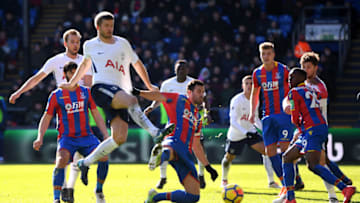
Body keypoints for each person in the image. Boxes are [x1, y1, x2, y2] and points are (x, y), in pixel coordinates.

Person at [59, 11, 174, 185]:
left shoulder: (123, 43)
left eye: (112, 25)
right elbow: (84, 65)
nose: (110, 29)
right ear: (98, 27)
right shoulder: (90, 45)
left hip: (119, 91)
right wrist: (72, 84)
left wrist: (149, 85)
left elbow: (137, 63)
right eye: (106, 26)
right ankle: (155, 133)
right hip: (101, 88)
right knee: (132, 100)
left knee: (119, 138)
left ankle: (84, 163)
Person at [9, 28, 92, 202]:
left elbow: (90, 85)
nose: (76, 45)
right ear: (65, 43)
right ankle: (63, 191)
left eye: (78, 42)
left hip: (81, 108)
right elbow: (37, 78)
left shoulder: (86, 61)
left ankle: (68, 187)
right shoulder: (56, 61)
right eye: (72, 42)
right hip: (64, 109)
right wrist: (19, 92)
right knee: (64, 157)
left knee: (78, 154)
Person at [274, 68, 356, 203]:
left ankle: (344, 188)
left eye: (291, 78)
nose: (289, 80)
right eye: (288, 78)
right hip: (317, 128)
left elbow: (294, 118)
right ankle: (290, 198)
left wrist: (299, 128)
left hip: (311, 130)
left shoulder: (293, 92)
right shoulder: (313, 91)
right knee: (287, 157)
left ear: (300, 79)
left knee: (313, 164)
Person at [32, 62, 110, 203]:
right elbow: (46, 117)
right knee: (61, 161)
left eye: (77, 72)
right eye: (72, 72)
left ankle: (98, 189)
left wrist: (105, 134)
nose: (75, 75)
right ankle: (56, 199)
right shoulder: (57, 95)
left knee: (104, 156)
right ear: (65, 74)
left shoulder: (86, 92)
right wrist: (39, 137)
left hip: (87, 136)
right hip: (67, 138)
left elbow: (96, 114)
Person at [135, 80, 218, 203]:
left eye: (203, 92)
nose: (202, 95)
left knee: (193, 196)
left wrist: (208, 167)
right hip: (172, 140)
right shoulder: (179, 99)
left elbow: (196, 145)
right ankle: (161, 155)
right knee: (172, 149)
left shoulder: (198, 117)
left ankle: (155, 197)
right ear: (189, 92)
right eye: (199, 91)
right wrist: (139, 92)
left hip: (186, 154)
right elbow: (159, 96)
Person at [300, 52, 352, 203]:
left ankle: (334, 195)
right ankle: (288, 194)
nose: (305, 70)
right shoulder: (302, 83)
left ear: (315, 68)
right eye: (303, 67)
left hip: (316, 130)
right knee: (290, 159)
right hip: (304, 130)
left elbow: (322, 113)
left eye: (308, 67)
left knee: (319, 164)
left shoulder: (319, 87)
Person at [249, 42, 295, 199]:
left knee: (285, 150)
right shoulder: (257, 73)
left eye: (268, 54)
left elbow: (292, 91)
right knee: (269, 152)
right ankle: (285, 184)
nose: (265, 57)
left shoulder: (283, 70)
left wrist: (292, 106)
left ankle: (289, 187)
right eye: (263, 54)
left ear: (273, 54)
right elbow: (255, 95)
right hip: (267, 116)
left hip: (283, 115)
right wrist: (252, 112)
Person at [144, 59, 198, 189]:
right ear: (175, 70)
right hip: (171, 122)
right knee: (165, 146)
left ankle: (200, 175)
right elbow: (160, 97)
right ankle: (163, 178)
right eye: (179, 69)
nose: (181, 71)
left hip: (189, 122)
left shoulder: (193, 84)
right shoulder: (167, 84)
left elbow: (200, 99)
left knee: (196, 146)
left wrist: (204, 113)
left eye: (183, 69)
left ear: (188, 70)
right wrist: (152, 107)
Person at [221, 75, 280, 189]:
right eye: (246, 83)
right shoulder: (236, 100)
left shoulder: (255, 99)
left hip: (251, 132)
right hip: (236, 134)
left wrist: (265, 130)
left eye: (251, 84)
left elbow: (255, 118)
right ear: (242, 86)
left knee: (267, 152)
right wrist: (245, 132)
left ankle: (271, 182)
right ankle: (224, 180)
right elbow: (233, 121)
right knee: (228, 158)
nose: (249, 86)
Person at [0, 95, 7, 163]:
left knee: (0, 141)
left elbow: (4, 111)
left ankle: (1, 157)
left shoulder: (0, 99)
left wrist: (3, 123)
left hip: (0, 124)